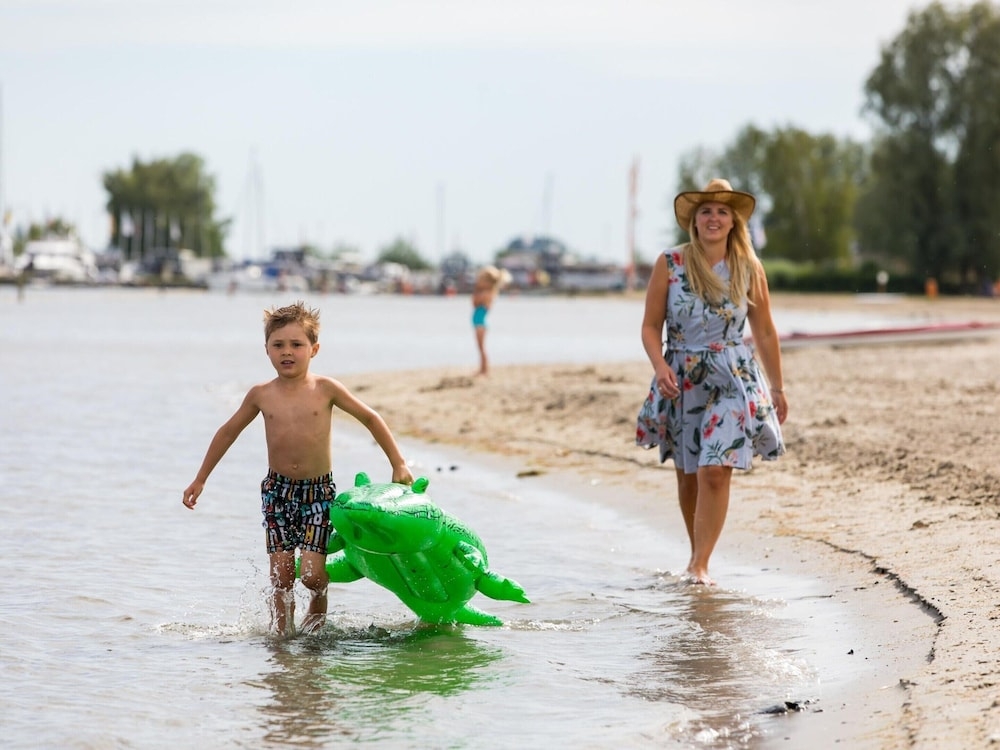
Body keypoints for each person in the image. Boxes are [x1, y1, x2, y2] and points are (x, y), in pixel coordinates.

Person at [182, 300, 414, 635]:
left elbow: (370, 417)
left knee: (311, 575)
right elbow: (228, 431)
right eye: (278, 345)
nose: (286, 352)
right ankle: (282, 634)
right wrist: (200, 479)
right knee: (281, 576)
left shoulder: (326, 389)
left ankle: (317, 611)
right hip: (277, 492)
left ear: (314, 349)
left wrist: (398, 463)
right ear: (266, 350)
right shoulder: (261, 394)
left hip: (318, 494)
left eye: (296, 345)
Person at [636, 178, 788, 585]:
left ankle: (700, 565)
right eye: (706, 211)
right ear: (695, 220)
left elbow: (767, 332)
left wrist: (778, 387)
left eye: (722, 211)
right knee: (688, 473)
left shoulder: (749, 268)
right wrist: (659, 365)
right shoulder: (670, 263)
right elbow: (651, 327)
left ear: (734, 221)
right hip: (682, 377)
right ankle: (696, 557)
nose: (714, 217)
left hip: (733, 377)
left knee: (714, 470)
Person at [471, 265, 508, 375]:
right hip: (478, 323)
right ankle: (483, 368)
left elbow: (474, 303)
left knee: (481, 348)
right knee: (480, 347)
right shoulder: (487, 292)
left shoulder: (487, 294)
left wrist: (477, 290)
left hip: (480, 324)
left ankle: (484, 369)